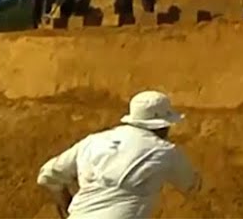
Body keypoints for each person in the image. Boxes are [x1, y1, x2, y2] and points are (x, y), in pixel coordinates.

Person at [37, 90, 199, 219]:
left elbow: (48, 175)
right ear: (163, 125)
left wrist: (68, 205)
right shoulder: (165, 152)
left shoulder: (94, 141)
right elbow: (193, 186)